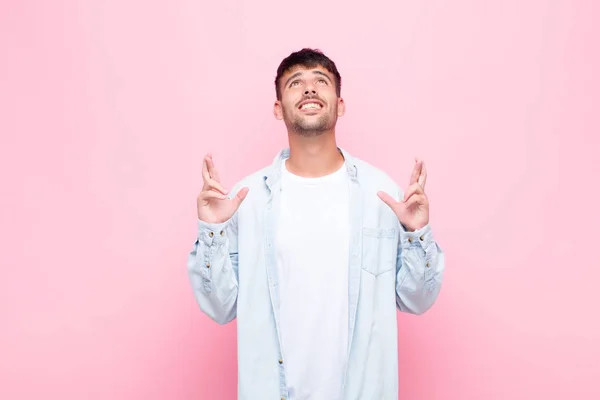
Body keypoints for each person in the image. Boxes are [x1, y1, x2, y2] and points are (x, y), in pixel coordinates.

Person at [187, 48, 445, 400]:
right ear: (278, 108)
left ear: (339, 104)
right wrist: (213, 232)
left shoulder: (381, 194)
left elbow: (418, 300)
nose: (309, 90)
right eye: (295, 83)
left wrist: (417, 235)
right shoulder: (247, 200)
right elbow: (219, 307)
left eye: (320, 81)